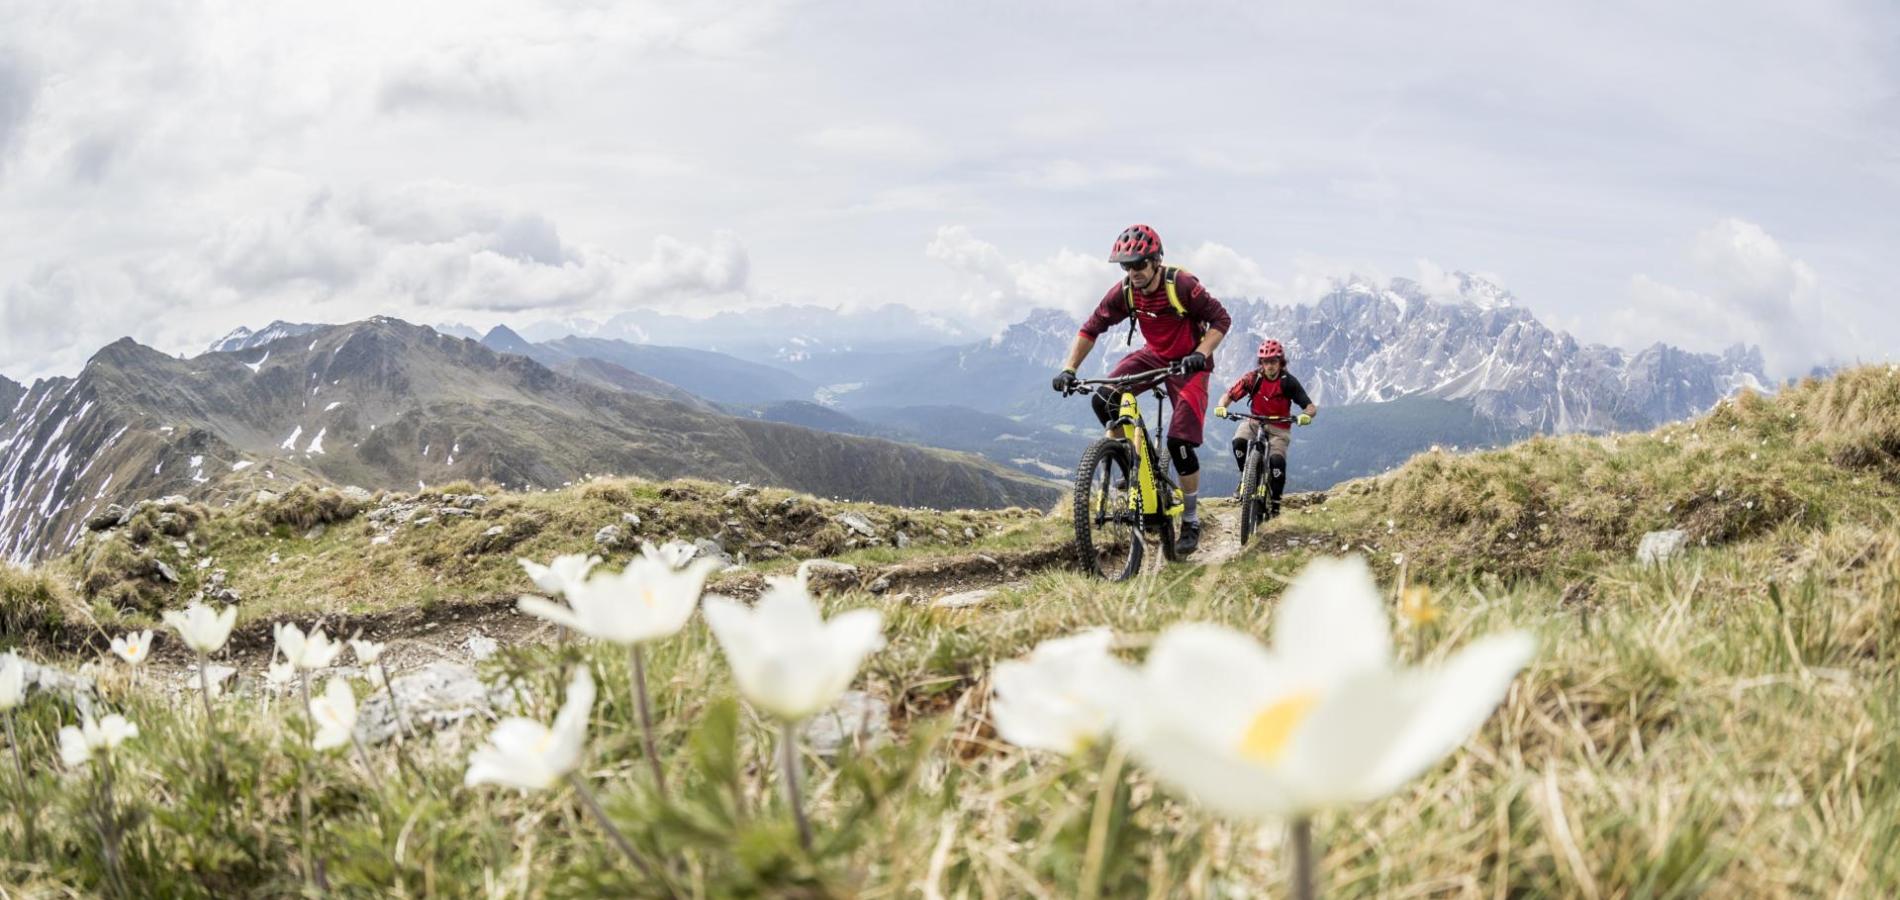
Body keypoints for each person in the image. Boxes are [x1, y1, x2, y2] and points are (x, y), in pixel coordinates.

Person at [1051, 224, 1230, 554]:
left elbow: (1221, 320)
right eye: (1126, 265)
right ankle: (1131, 460)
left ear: (1156, 261)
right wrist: (1069, 368)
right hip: (1154, 356)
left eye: (1139, 264)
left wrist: (1199, 354)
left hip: (1189, 366)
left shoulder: (1183, 285)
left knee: (1179, 443)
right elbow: (1091, 328)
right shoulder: (1125, 292)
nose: (1132, 272)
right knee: (1104, 399)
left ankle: (1190, 519)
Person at [1212, 339, 1317, 518]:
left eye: (1273, 361)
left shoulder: (1288, 382)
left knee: (1277, 463)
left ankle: (1275, 504)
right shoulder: (1253, 378)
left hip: (1279, 428)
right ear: (1261, 362)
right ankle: (1246, 478)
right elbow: (1229, 395)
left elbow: (1310, 407)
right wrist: (1222, 406)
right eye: (1266, 361)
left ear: (1280, 362)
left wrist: (1305, 416)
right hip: (1254, 422)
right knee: (1238, 442)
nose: (1269, 365)